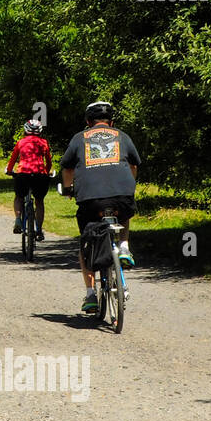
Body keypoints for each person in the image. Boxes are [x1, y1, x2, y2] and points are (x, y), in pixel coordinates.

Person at [59, 101, 140, 315]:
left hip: (90, 201)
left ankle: (90, 295)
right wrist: (129, 187)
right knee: (123, 214)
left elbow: (67, 168)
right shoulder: (122, 136)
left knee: (86, 243)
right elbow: (133, 165)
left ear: (88, 122)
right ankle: (123, 246)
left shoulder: (79, 138)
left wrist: (68, 189)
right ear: (111, 122)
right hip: (122, 196)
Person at [5, 119, 53, 240]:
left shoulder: (21, 142)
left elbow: (13, 159)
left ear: (26, 130)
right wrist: (46, 172)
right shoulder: (43, 143)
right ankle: (39, 230)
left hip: (23, 173)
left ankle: (17, 219)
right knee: (39, 201)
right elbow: (48, 162)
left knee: (19, 197)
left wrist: (10, 170)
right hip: (39, 174)